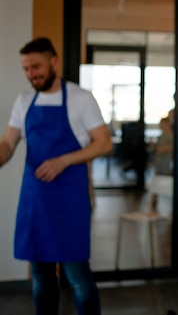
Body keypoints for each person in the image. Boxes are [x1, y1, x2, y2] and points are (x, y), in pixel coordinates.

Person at [0, 37, 112, 315]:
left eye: (36, 66)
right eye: (26, 69)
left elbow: (104, 143)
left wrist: (64, 160)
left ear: (54, 62)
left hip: (70, 202)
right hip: (35, 201)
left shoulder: (80, 98)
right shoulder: (24, 101)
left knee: (76, 274)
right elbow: (8, 143)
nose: (31, 74)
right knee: (40, 273)